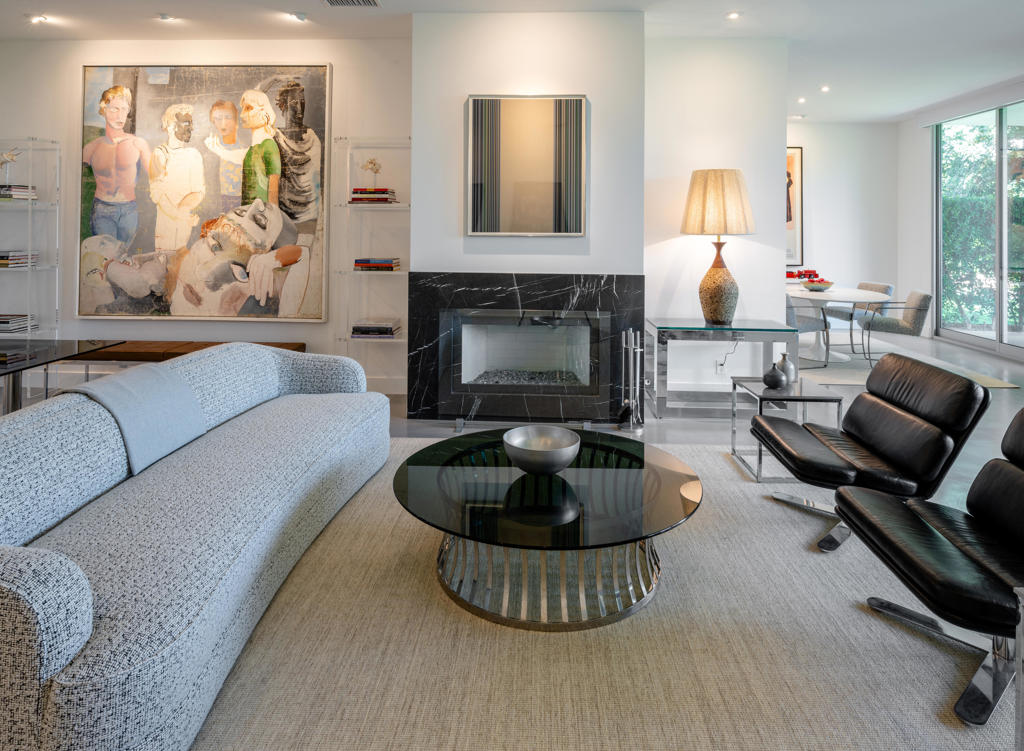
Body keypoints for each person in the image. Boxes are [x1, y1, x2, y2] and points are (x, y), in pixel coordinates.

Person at [166, 199, 308, 318]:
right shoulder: (196, 249)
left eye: (260, 221)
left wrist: (274, 258)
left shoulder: (257, 297)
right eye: (214, 245)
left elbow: (305, 255)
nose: (201, 271)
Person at [82, 85, 152, 246]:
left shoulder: (138, 144)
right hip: (102, 208)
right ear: (103, 110)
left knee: (124, 255)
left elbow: (157, 176)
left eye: (124, 109)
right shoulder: (92, 148)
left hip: (129, 209)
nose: (120, 115)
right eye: (114, 109)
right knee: (105, 256)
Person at [149, 103, 205, 252]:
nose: (192, 128)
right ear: (171, 126)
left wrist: (184, 211)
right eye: (186, 123)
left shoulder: (194, 155)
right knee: (166, 259)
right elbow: (157, 194)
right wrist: (179, 215)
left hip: (187, 224)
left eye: (191, 123)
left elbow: (199, 191)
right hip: (166, 224)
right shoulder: (160, 154)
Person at [274, 81, 321, 229]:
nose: (300, 109)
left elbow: (318, 182)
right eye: (294, 103)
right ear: (283, 105)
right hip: (284, 219)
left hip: (311, 216)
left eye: (302, 102)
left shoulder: (313, 138)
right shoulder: (276, 139)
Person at [238, 89, 281, 206]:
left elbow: (273, 190)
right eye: (243, 108)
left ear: (263, 111)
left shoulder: (268, 145)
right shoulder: (251, 149)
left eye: (248, 108)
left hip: (262, 213)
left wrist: (272, 214)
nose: (242, 114)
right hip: (248, 212)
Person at [203, 100, 245, 215]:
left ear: (235, 119)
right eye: (218, 118)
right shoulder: (209, 150)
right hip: (217, 206)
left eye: (227, 117)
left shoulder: (245, 147)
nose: (223, 123)